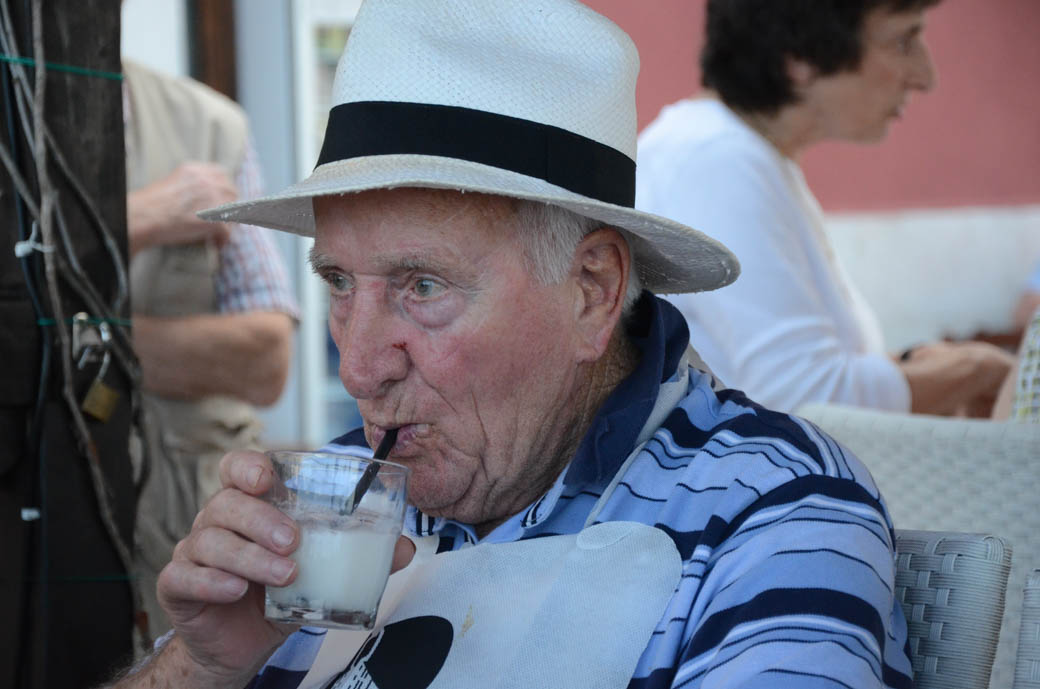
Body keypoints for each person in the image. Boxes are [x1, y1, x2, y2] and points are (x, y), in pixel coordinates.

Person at [103, 1, 914, 687]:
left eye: (423, 286)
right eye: (340, 283)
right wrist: (202, 664)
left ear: (592, 289)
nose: (358, 368)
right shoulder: (339, 508)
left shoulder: (769, 514)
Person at [636, 0, 1015, 416]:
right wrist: (973, 371)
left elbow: (801, 376)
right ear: (801, 57)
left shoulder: (743, 154)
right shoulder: (717, 159)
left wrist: (915, 368)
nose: (925, 76)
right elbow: (801, 398)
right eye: (903, 41)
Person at [123, 59, 298, 641]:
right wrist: (135, 220)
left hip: (178, 546)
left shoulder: (209, 125)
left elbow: (267, 361)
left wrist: (68, 340)